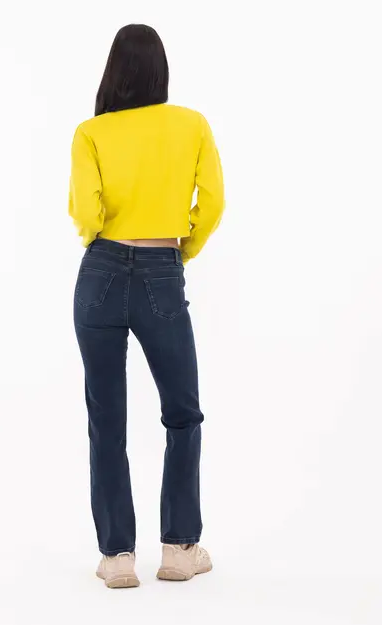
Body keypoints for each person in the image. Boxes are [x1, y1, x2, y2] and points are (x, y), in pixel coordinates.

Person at [68, 23, 225, 588]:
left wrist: (107, 245)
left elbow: (86, 212)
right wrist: (182, 250)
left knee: (106, 420)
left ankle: (117, 557)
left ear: (113, 71)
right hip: (162, 270)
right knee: (182, 413)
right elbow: (213, 202)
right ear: (161, 70)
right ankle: (179, 548)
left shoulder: (91, 132)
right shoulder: (191, 124)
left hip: (101, 272)